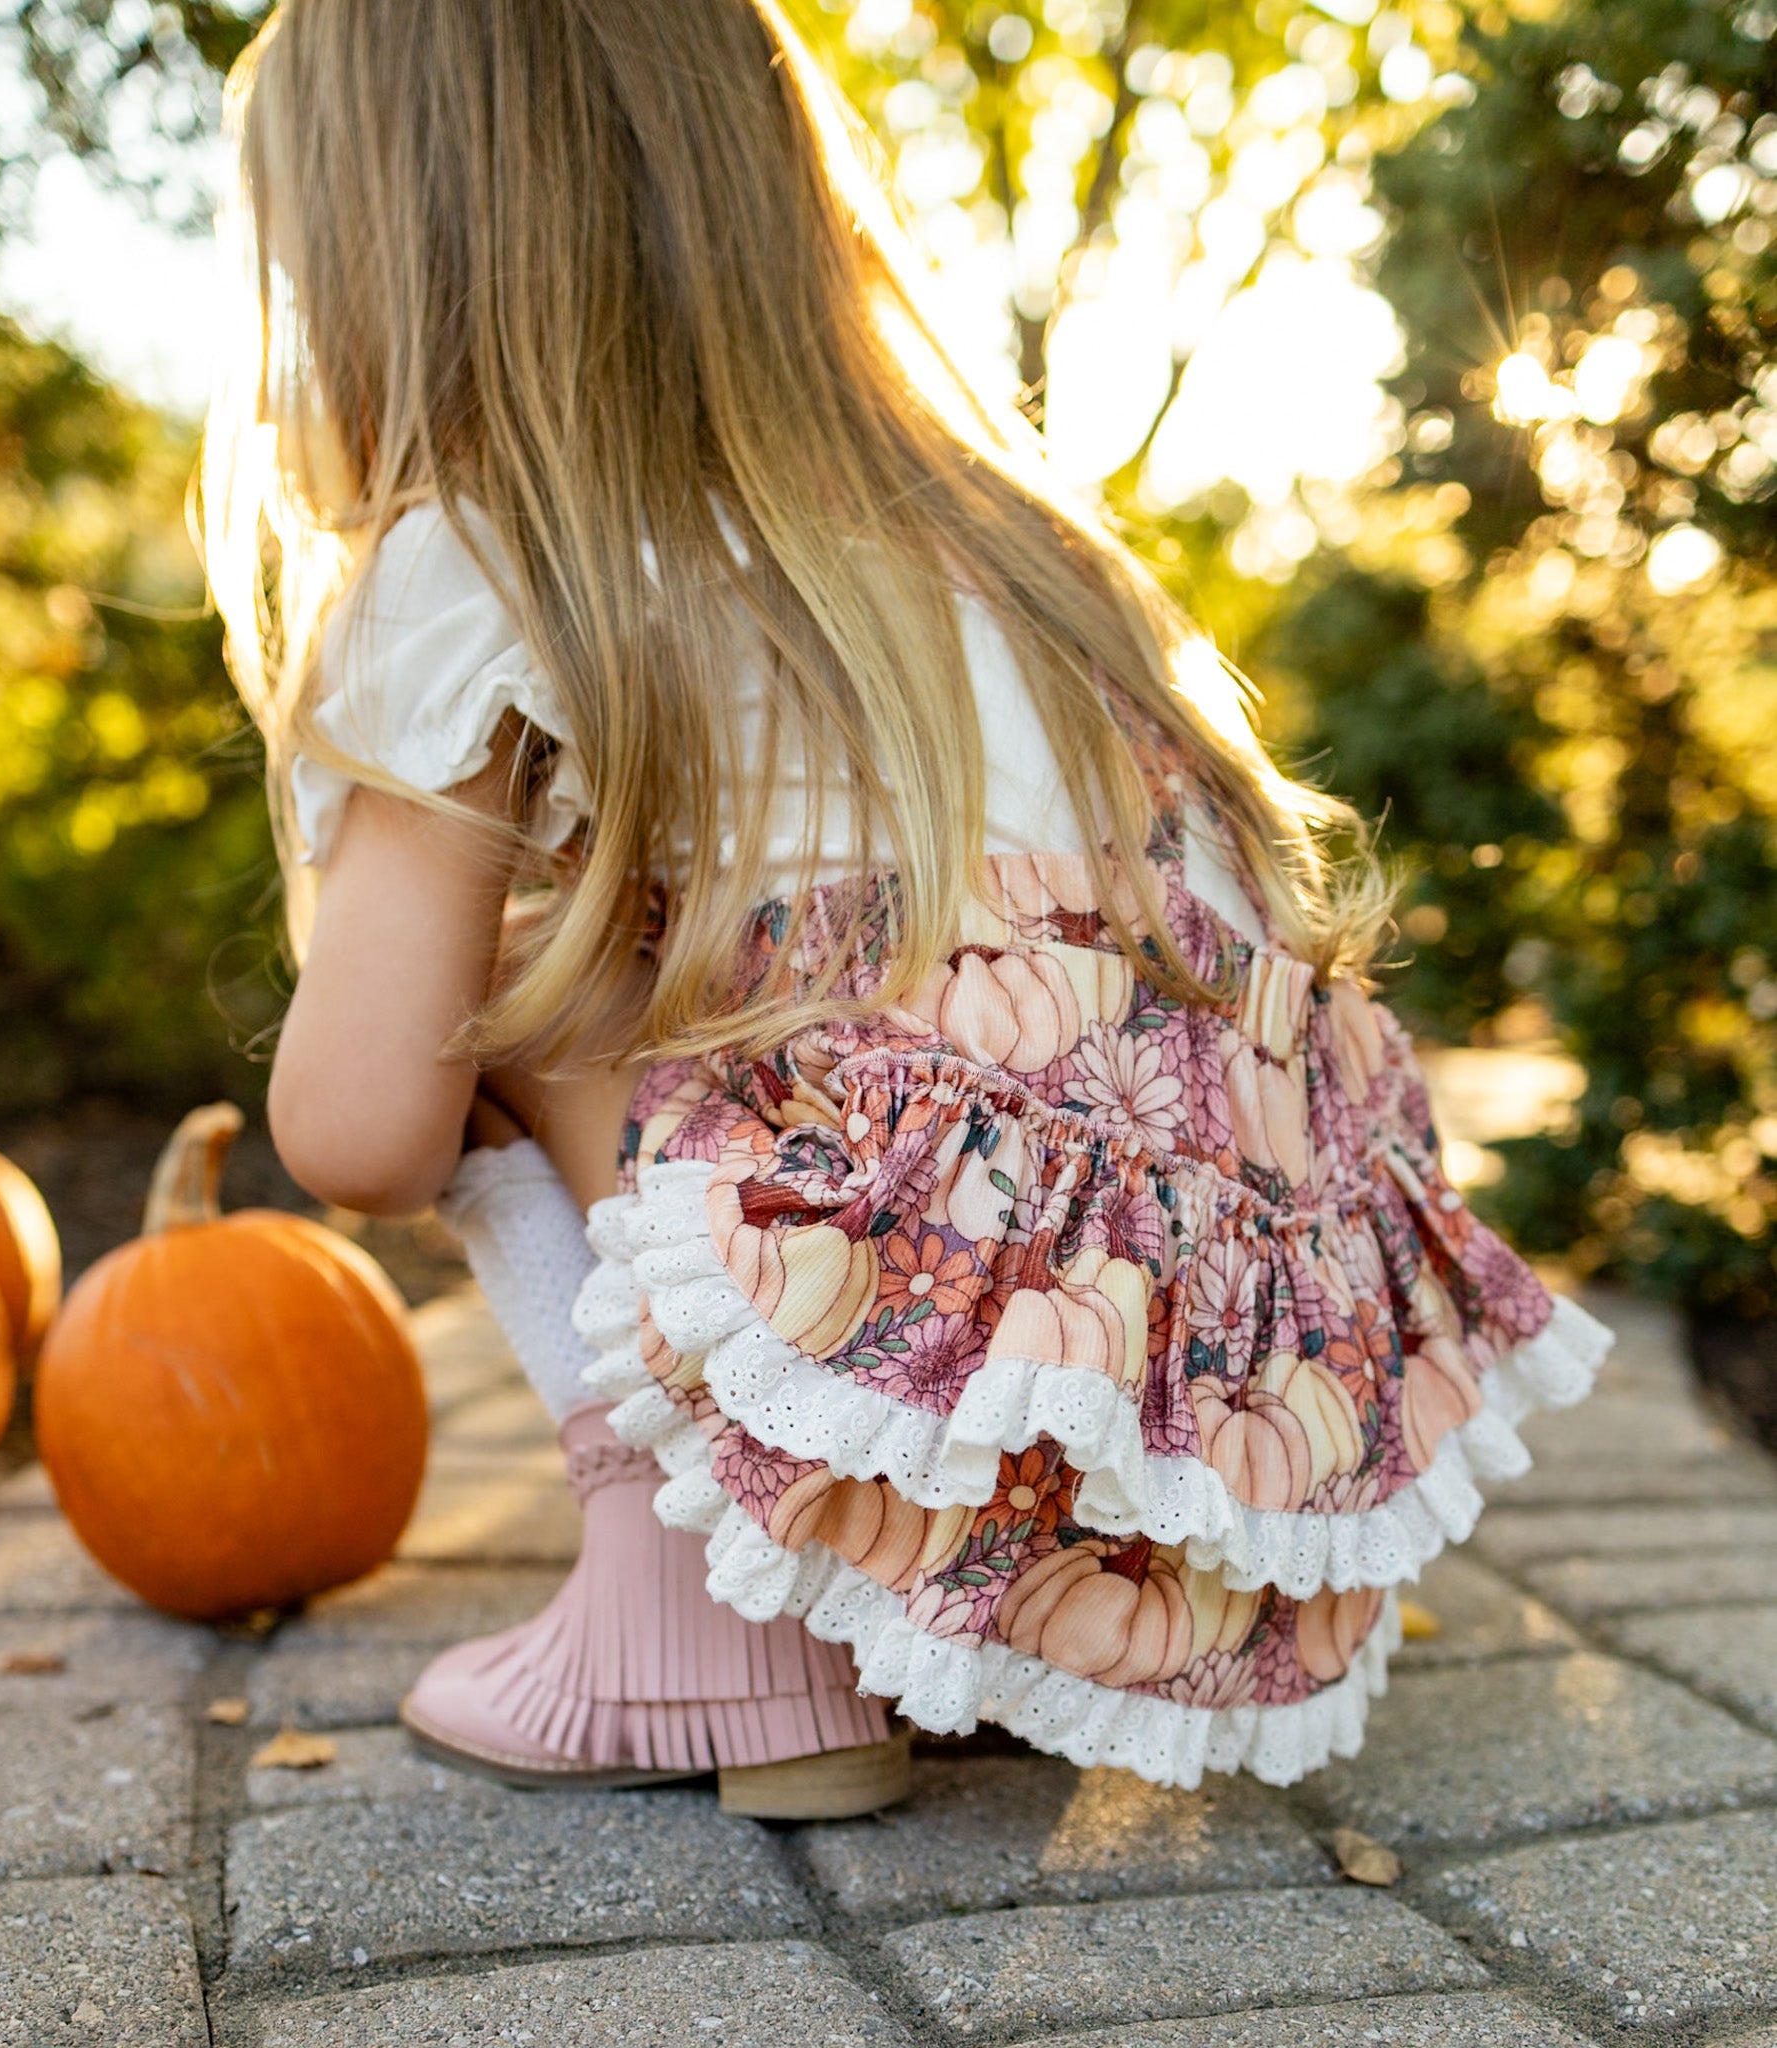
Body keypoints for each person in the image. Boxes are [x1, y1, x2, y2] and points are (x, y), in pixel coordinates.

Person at [203, 0, 1611, 1817]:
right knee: (801, 971)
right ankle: (930, 1615)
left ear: (380, 251)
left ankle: (709, 1633)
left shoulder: (484, 547)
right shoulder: (1003, 537)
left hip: (937, 1288)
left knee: (520, 994)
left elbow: (356, 1129)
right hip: (1218, 1356)